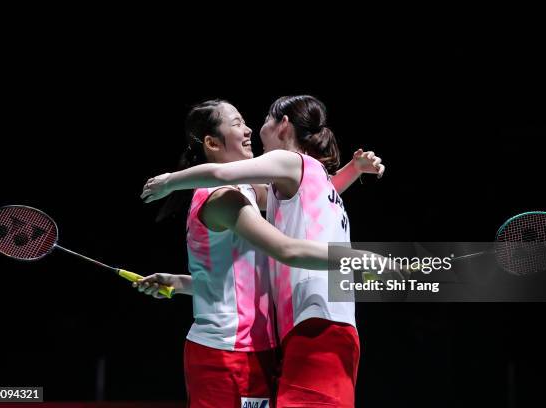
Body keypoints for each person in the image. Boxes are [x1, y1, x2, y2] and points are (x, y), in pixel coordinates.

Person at [137, 99, 384, 408]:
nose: (249, 128)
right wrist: (169, 181)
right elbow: (284, 248)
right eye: (237, 123)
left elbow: (312, 194)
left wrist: (182, 282)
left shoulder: (252, 193)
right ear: (212, 142)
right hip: (226, 351)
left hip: (263, 349)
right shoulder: (223, 197)